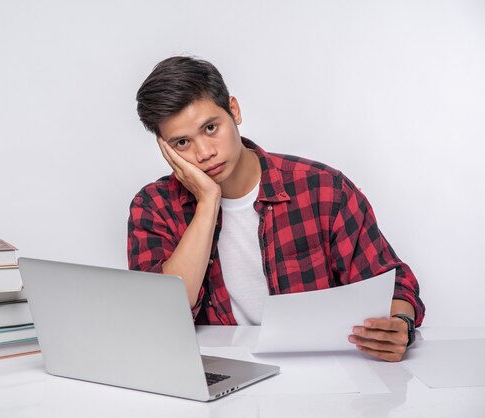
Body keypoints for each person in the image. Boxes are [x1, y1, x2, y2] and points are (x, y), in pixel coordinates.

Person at [127, 56, 424, 362]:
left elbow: (393, 282)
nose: (204, 153)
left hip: (322, 372)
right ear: (165, 148)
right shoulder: (153, 207)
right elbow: (162, 315)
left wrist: (400, 324)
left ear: (234, 110)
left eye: (211, 128)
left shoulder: (322, 188)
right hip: (220, 374)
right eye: (182, 143)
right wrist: (207, 202)